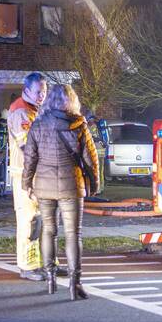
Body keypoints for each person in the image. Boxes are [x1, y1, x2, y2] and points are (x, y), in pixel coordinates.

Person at [22, 84, 100, 301]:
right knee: (74, 234)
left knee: (49, 230)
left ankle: (50, 279)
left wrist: (26, 182)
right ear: (72, 101)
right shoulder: (79, 125)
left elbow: (30, 158)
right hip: (72, 187)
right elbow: (91, 159)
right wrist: (94, 184)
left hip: (44, 188)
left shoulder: (37, 125)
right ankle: (75, 284)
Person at [7, 72, 48, 281]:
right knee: (29, 220)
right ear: (27, 90)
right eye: (38, 91)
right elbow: (27, 147)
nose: (42, 95)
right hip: (25, 174)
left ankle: (45, 262)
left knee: (43, 220)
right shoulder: (21, 112)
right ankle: (28, 266)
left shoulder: (36, 111)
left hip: (38, 173)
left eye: (44, 91)